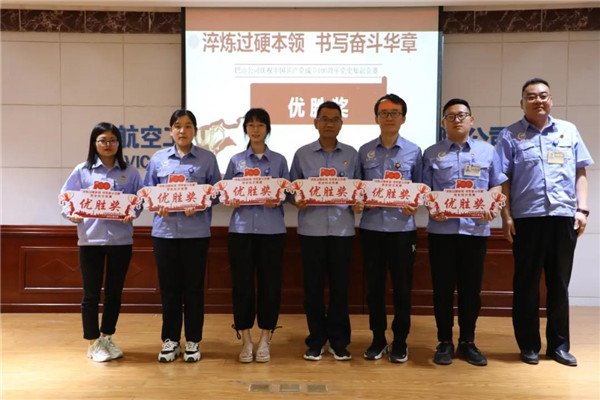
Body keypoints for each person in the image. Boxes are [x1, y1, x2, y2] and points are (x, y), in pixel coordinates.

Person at [496, 78, 593, 367]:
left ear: (551, 100)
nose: (538, 100)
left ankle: (559, 346)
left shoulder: (568, 130)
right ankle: (528, 345)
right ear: (521, 102)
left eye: (543, 96)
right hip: (527, 219)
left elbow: (580, 173)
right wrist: (506, 215)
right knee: (526, 284)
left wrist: (582, 210)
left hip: (563, 217)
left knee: (559, 284)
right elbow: (503, 178)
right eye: (531, 96)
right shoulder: (509, 135)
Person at [422, 99, 506, 366]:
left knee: (471, 290)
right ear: (443, 122)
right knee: (443, 289)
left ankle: (468, 341)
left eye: (462, 115)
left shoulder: (487, 151)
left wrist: (493, 204)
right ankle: (445, 341)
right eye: (451, 116)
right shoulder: (431, 153)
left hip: (475, 231)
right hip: (441, 231)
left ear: (471, 119)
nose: (457, 120)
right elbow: (425, 190)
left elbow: (497, 185)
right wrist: (431, 206)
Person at [61, 122, 142, 362]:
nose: (108, 145)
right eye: (103, 140)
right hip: (90, 239)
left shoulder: (130, 172)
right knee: (91, 294)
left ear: (119, 144)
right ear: (94, 143)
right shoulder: (82, 171)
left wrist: (133, 212)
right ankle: (92, 343)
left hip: (121, 240)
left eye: (112, 140)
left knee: (114, 293)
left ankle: (107, 338)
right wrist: (71, 214)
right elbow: (65, 198)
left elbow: (139, 200)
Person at [144, 109, 221, 363]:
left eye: (188, 126)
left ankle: (193, 340)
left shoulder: (207, 159)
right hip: (164, 233)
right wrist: (157, 205)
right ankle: (170, 340)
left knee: (194, 290)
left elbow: (216, 194)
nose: (182, 131)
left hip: (196, 233)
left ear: (195, 131)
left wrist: (199, 203)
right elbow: (147, 193)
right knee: (169, 289)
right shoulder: (158, 159)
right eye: (177, 126)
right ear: (170, 131)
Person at [290, 100, 361, 361]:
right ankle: (316, 340)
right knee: (313, 289)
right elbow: (292, 190)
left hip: (342, 231)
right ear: (315, 123)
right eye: (324, 119)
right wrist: (296, 200)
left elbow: (359, 188)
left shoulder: (352, 154)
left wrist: (359, 201)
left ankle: (339, 342)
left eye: (334, 119)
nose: (329, 124)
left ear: (341, 124)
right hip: (311, 230)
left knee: (340, 289)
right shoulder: (302, 154)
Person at [357, 94, 422, 363]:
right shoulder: (364, 151)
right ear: (376, 118)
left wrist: (415, 204)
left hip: (402, 230)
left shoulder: (414, 151)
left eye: (394, 113)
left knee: (402, 290)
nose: (389, 117)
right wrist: (360, 201)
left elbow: (421, 190)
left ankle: (400, 341)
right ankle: (378, 339)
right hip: (371, 229)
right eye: (384, 113)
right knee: (374, 289)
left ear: (403, 118)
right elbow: (357, 190)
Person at [223, 108, 289, 363]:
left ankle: (265, 339)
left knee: (270, 286)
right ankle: (246, 340)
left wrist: (278, 198)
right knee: (242, 287)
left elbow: (288, 193)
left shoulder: (279, 161)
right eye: (250, 125)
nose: (255, 129)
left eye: (260, 125)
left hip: (272, 231)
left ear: (267, 129)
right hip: (241, 231)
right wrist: (231, 199)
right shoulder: (236, 160)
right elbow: (226, 193)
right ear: (245, 129)